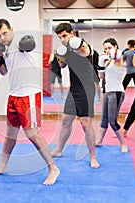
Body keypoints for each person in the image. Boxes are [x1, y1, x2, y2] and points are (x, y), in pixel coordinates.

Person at [0, 18, 60, 185]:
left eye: (5, 33)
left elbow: (29, 44)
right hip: (13, 95)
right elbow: (4, 72)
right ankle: (2, 165)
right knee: (10, 134)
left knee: (32, 134)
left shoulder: (21, 42)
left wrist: (27, 44)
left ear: (11, 29)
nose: (3, 38)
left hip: (29, 95)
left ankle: (53, 168)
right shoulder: (3, 48)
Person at [51, 23, 100, 168]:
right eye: (60, 37)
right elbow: (62, 66)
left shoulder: (80, 44)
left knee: (85, 123)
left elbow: (85, 52)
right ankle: (59, 149)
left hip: (86, 88)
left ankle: (92, 157)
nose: (63, 40)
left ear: (72, 33)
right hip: (74, 88)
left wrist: (71, 46)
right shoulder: (65, 48)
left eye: (65, 36)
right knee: (66, 120)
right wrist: (60, 56)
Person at [95, 38, 128, 153]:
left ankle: (123, 144)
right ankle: (99, 140)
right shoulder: (106, 61)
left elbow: (117, 54)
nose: (107, 50)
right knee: (104, 119)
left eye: (109, 48)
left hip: (117, 92)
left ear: (115, 47)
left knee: (112, 121)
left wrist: (112, 52)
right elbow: (101, 77)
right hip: (108, 92)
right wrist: (100, 62)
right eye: (105, 49)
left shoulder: (118, 58)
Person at [75, 31, 101, 103]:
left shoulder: (90, 53)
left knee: (95, 85)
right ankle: (96, 99)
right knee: (95, 85)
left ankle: (96, 99)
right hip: (91, 71)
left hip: (92, 71)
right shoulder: (91, 53)